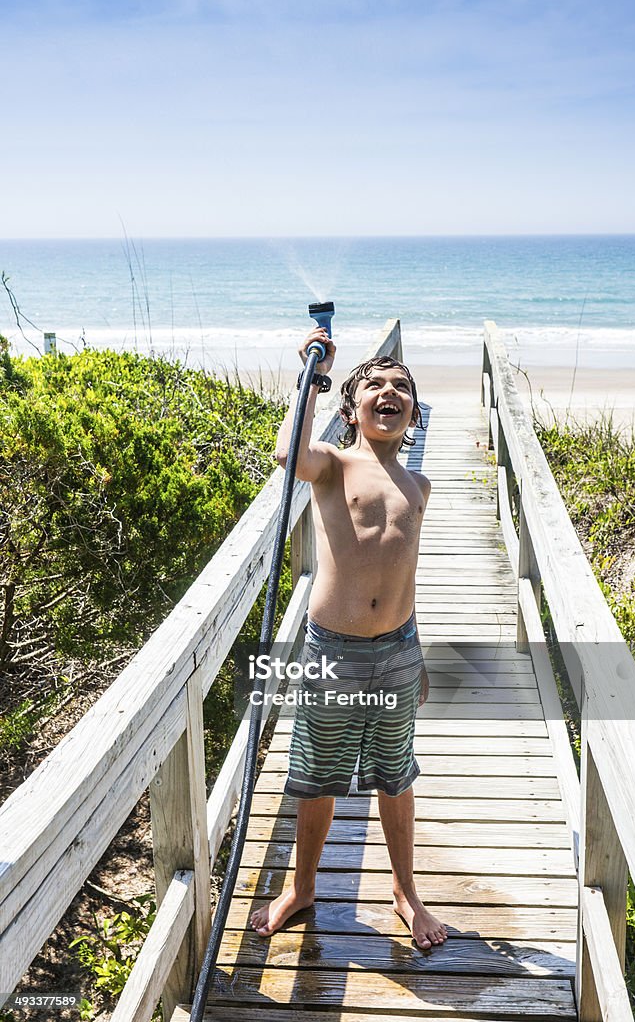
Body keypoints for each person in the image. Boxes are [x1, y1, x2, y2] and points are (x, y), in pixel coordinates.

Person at [250, 326, 448, 948]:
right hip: (331, 649)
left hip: (395, 647)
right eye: (376, 385)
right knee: (315, 773)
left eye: (402, 388)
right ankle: (301, 886)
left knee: (396, 771)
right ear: (351, 408)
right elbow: (289, 453)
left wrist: (413, 654)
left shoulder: (420, 486)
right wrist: (313, 377)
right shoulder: (334, 464)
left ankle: (405, 891)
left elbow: (407, 571)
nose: (390, 392)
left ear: (412, 414)